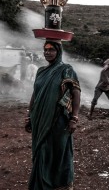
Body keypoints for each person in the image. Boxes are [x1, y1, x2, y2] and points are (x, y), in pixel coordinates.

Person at [25, 40, 81, 190]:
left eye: (51, 50)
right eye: (45, 49)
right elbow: (35, 94)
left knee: (59, 151)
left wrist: (74, 118)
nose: (47, 52)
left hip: (59, 119)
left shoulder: (66, 69)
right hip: (39, 118)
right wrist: (29, 116)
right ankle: (41, 184)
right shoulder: (41, 71)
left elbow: (76, 93)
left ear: (59, 51)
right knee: (42, 150)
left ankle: (62, 182)